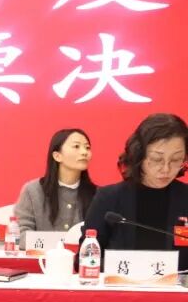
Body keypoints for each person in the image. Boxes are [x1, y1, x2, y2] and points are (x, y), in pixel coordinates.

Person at [81, 113, 188, 271]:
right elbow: (86, 258)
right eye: (157, 159)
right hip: (121, 284)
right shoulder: (109, 198)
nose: (166, 168)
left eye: (176, 159)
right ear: (139, 155)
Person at [13, 129, 97, 237]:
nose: (84, 152)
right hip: (41, 249)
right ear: (57, 156)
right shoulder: (32, 191)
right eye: (76, 146)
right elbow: (21, 234)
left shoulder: (98, 195)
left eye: (87, 147)